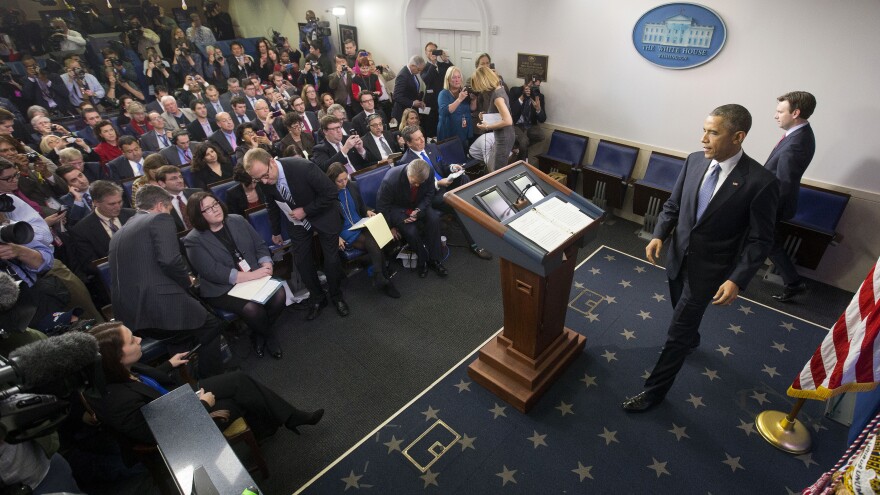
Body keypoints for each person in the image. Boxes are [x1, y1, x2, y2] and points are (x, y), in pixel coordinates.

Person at [621, 104, 779, 413]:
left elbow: (761, 240)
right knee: (681, 313)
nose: (703, 138)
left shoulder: (761, 182)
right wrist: (658, 235)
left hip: (710, 272)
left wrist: (737, 279)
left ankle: (654, 392)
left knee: (676, 332)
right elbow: (673, 205)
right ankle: (691, 338)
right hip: (676, 258)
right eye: (703, 130)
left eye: (713, 132)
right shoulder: (694, 161)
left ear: (738, 137)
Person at [85, 321, 322, 454]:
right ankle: (274, 424)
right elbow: (159, 434)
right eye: (131, 340)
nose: (138, 340)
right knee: (234, 401)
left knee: (238, 379)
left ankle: (286, 419)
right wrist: (201, 405)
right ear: (115, 357)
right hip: (182, 427)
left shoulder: (121, 369)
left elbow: (149, 383)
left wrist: (169, 363)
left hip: (179, 400)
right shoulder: (116, 401)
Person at [109, 185, 224, 378]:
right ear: (161, 205)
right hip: (160, 307)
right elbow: (170, 260)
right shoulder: (158, 219)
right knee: (212, 325)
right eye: (170, 208)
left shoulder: (122, 230)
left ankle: (186, 377)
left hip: (133, 316)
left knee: (182, 334)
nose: (170, 212)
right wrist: (187, 281)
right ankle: (213, 380)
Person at [243, 148, 348, 320]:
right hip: (296, 221)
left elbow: (331, 193)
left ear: (271, 162)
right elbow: (271, 203)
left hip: (323, 214)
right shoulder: (263, 177)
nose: (264, 181)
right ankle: (318, 298)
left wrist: (306, 210)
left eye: (265, 175)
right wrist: (276, 230)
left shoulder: (303, 167)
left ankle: (337, 296)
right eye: (258, 179)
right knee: (301, 261)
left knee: (331, 259)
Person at [183, 191, 286, 358]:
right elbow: (213, 272)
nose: (215, 209)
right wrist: (255, 275)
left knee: (280, 295)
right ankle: (268, 335)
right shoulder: (193, 240)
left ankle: (258, 331)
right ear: (198, 215)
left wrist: (266, 263)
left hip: (254, 273)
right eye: (208, 209)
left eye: (215, 204)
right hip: (222, 288)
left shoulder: (237, 220)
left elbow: (259, 245)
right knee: (252, 309)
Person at [766, 91, 817, 303]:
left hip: (774, 202)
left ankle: (794, 283)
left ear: (795, 113)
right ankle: (794, 283)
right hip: (774, 201)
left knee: (766, 242)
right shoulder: (798, 134)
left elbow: (784, 182)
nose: (775, 115)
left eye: (780, 111)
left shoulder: (797, 142)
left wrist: (765, 206)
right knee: (766, 242)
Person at [327, 163, 400, 298]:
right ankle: (383, 279)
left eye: (345, 178)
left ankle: (379, 276)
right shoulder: (327, 195)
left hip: (360, 223)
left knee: (379, 237)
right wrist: (336, 236)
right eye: (339, 181)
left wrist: (367, 211)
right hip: (344, 230)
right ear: (332, 180)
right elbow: (326, 219)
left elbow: (361, 206)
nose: (344, 183)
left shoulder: (352, 185)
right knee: (374, 241)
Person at [376, 159, 447, 278]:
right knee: (411, 231)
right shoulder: (391, 179)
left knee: (434, 219)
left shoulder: (428, 172)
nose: (417, 185)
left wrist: (419, 210)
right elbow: (382, 206)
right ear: (409, 173)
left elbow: (429, 194)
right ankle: (422, 260)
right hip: (398, 208)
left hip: (419, 204)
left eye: (420, 182)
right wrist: (391, 227)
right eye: (414, 182)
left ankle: (435, 259)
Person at [472, 66, 514, 171]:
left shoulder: (497, 97)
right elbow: (500, 115)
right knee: (494, 167)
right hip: (503, 136)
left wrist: (487, 126)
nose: (481, 90)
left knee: (497, 170)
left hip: (503, 138)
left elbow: (508, 120)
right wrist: (486, 115)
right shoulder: (499, 88)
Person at [437, 66, 476, 150]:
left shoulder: (464, 92)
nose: (457, 80)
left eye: (459, 77)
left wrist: (474, 99)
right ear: (448, 80)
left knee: (463, 157)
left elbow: (471, 109)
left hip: (463, 131)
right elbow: (445, 111)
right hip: (448, 132)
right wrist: (459, 99)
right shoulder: (443, 94)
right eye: (454, 77)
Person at [509, 77, 546, 160]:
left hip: (530, 125)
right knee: (524, 141)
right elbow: (513, 112)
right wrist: (523, 96)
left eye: (537, 86)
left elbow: (543, 119)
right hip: (516, 124)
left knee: (542, 136)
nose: (534, 89)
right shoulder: (515, 91)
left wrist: (538, 109)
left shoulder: (539, 96)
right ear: (526, 84)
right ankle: (521, 163)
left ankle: (524, 156)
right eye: (533, 86)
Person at [156, 165, 200, 231]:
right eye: (173, 178)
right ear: (162, 183)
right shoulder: (160, 205)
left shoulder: (197, 193)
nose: (180, 181)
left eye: (180, 177)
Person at [392, 55, 427, 124]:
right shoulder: (403, 75)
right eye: (418, 70)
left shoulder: (412, 73)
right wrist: (413, 103)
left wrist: (419, 102)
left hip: (410, 111)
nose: (419, 72)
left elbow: (412, 92)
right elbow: (396, 96)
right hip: (403, 112)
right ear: (412, 65)